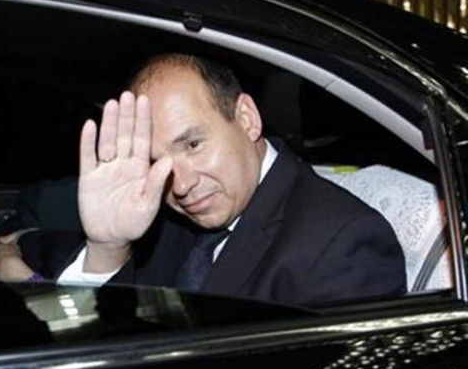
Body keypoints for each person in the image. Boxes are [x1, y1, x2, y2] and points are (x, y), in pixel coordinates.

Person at [57, 53, 406, 305]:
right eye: (155, 162)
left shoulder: (344, 244)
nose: (179, 186)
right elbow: (111, 335)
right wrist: (106, 248)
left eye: (193, 144)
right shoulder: (162, 222)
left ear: (247, 117)